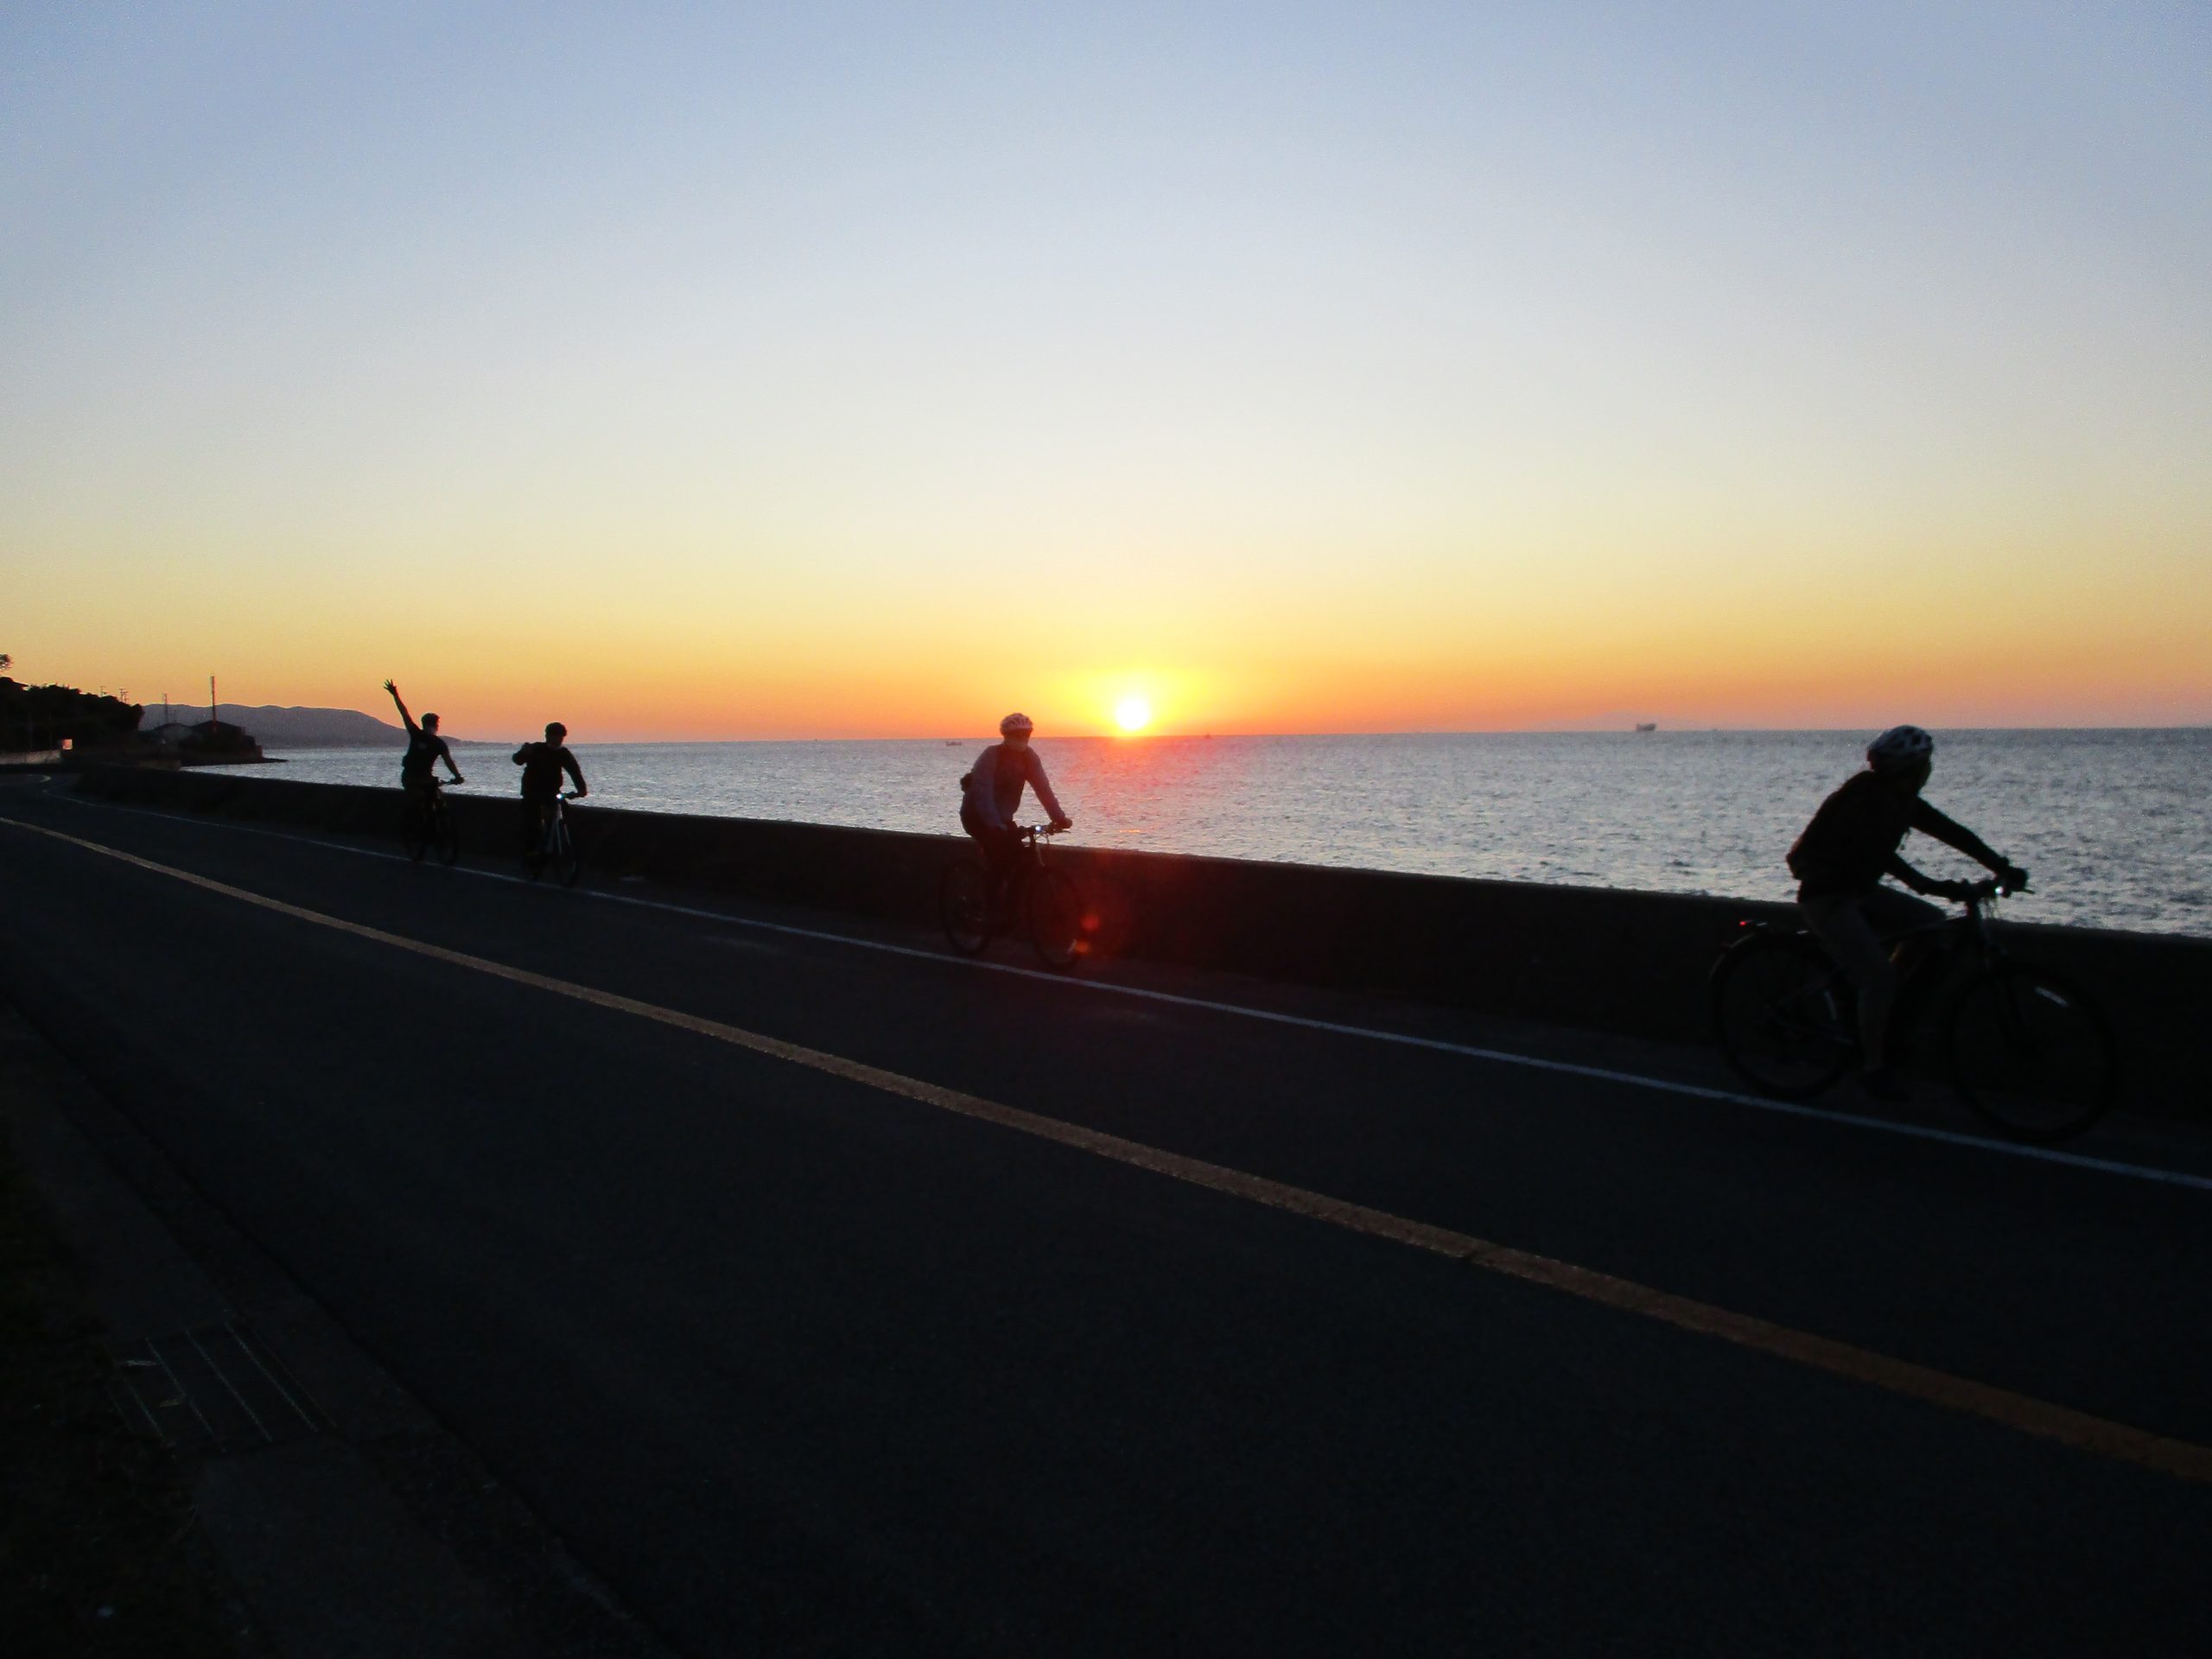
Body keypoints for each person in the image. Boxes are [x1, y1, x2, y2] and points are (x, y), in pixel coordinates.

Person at [1787, 725, 2029, 1099]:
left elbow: (1951, 832)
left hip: (1859, 889)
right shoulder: (1865, 797)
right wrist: (1930, 885)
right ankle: (1873, 1068)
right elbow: (1878, 853)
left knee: (1929, 923)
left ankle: (1884, 1006)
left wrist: (2000, 865)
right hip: (1827, 896)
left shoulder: (1902, 799)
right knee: (1878, 978)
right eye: (1925, 765)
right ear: (1915, 769)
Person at [960, 712, 1072, 921]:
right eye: (1018, 735)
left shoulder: (1029, 758)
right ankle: (992, 911)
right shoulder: (991, 756)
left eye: (1026, 735)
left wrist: (1059, 818)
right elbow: (983, 794)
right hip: (976, 815)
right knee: (1000, 859)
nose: (1023, 740)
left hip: (1002, 818)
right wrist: (995, 826)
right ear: (1007, 736)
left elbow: (1043, 789)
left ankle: (1009, 912)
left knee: (1020, 858)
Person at [384, 680, 464, 810]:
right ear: (436, 726)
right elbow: (449, 762)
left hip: (412, 778)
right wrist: (457, 777)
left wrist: (395, 695)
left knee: (421, 803)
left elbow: (404, 713)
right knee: (437, 804)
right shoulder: (438, 743)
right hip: (421, 779)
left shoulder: (416, 733)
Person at [512, 721, 587, 851]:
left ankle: (563, 842)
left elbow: (574, 770)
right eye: (555, 736)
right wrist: (524, 752)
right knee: (532, 822)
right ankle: (531, 851)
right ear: (547, 736)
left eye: (560, 737)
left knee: (565, 812)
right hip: (532, 791)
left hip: (552, 791)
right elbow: (518, 760)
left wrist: (581, 789)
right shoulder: (536, 748)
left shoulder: (563, 753)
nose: (557, 740)